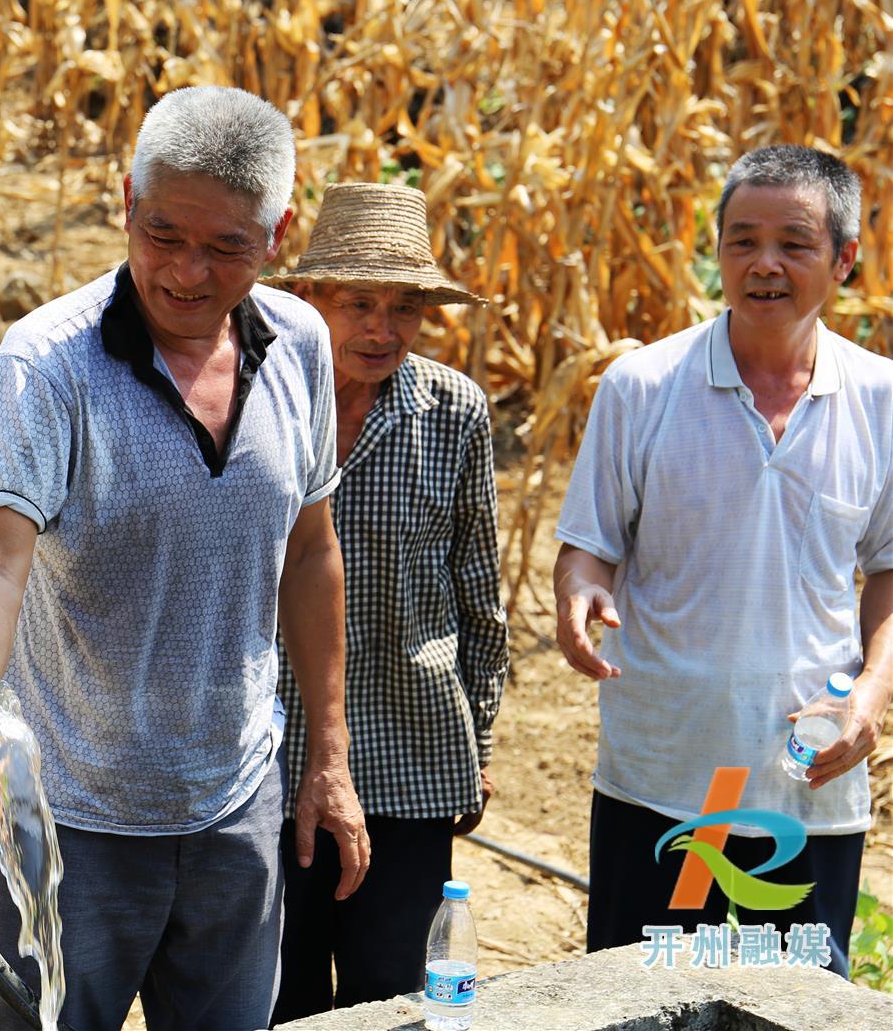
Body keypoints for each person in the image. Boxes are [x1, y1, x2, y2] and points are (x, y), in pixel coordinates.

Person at [0, 86, 367, 1030]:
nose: (187, 273)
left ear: (277, 232)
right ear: (126, 201)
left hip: (236, 806)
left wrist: (329, 755)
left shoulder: (303, 345)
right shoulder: (50, 363)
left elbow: (311, 553)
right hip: (71, 822)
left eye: (225, 246)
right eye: (162, 234)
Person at [553, 145, 893, 975]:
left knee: (800, 1009)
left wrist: (872, 696)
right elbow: (588, 547)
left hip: (807, 782)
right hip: (665, 774)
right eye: (741, 240)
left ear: (844, 259)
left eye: (793, 243)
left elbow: (888, 569)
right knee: (641, 1002)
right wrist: (580, 599)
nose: (763, 264)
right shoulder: (641, 386)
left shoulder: (881, 400)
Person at [265, 182, 510, 1022]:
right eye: (359, 303)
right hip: (270, 750)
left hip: (411, 748)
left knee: (397, 993)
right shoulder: (257, 399)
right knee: (277, 993)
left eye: (404, 308)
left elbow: (480, 592)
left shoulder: (452, 412)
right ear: (308, 300)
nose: (382, 329)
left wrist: (476, 737)